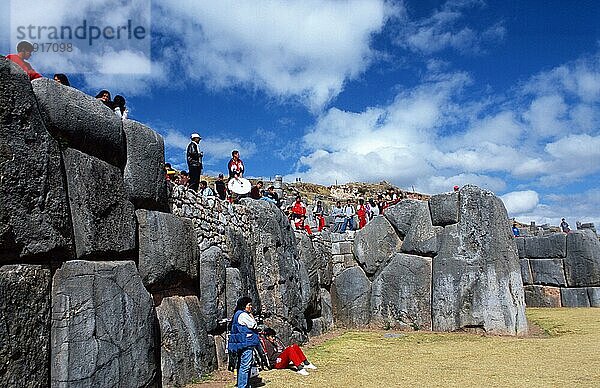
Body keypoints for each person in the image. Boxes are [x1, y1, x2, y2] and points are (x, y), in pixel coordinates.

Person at [228, 297, 260, 388]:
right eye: (249, 305)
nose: (251, 307)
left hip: (240, 343)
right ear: (244, 306)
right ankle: (243, 386)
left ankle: (242, 384)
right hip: (246, 343)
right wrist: (251, 315)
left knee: (241, 365)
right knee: (245, 366)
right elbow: (253, 325)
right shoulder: (243, 315)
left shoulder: (236, 314)